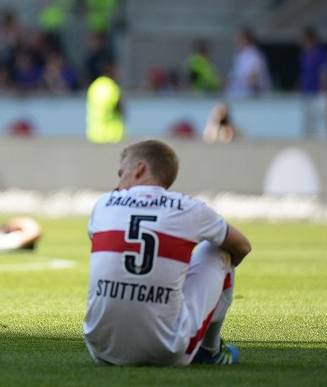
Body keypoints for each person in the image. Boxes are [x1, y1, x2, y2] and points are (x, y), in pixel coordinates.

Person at [83, 140, 252, 366]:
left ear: (140, 168)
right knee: (221, 249)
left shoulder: (104, 203)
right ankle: (210, 352)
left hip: (101, 349)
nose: (118, 182)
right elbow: (243, 246)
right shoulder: (191, 208)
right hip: (165, 351)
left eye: (121, 172)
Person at [225, 26, 270, 98]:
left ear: (246, 39)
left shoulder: (254, 55)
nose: (235, 40)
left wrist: (238, 82)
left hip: (251, 98)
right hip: (238, 96)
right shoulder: (239, 55)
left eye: (239, 38)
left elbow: (255, 79)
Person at [86, 59, 124, 143]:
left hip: (95, 134)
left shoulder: (94, 86)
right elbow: (119, 108)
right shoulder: (112, 87)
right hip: (112, 135)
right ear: (111, 71)